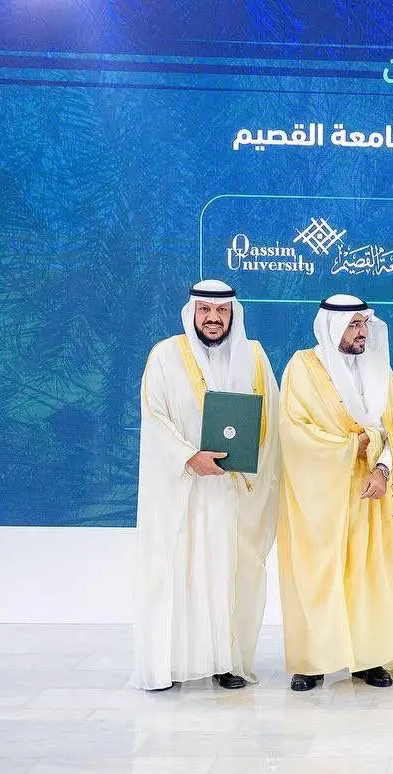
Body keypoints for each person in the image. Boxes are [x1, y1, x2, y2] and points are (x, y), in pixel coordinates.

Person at [276, 295, 393, 691]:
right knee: (320, 573)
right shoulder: (303, 368)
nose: (361, 332)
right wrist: (350, 448)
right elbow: (295, 429)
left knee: (371, 575)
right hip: (322, 496)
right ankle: (313, 661)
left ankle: (369, 659)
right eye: (352, 325)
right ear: (332, 328)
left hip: (374, 494)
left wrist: (381, 466)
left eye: (364, 324)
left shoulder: (379, 369)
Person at [130, 280, 280, 692]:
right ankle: (169, 665)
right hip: (183, 491)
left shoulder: (253, 356)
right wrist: (187, 457)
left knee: (228, 576)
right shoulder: (165, 356)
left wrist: (250, 465)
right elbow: (154, 417)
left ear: (233, 315)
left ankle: (226, 662)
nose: (213, 319)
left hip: (232, 492)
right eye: (205, 311)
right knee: (179, 572)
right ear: (192, 313)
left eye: (222, 312)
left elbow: (271, 418)